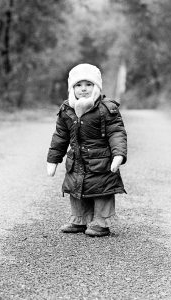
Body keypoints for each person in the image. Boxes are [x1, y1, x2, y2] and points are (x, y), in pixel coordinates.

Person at [47, 63, 127, 237]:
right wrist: (53, 159)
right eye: (79, 85)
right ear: (72, 88)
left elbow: (117, 133)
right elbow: (60, 136)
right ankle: (79, 220)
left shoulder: (106, 109)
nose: (83, 89)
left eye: (89, 85)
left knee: (102, 190)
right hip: (77, 159)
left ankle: (101, 223)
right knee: (77, 189)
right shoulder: (67, 110)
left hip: (101, 160)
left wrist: (118, 154)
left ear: (97, 86)